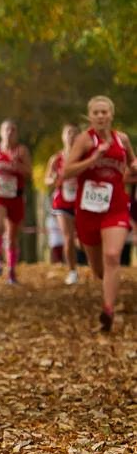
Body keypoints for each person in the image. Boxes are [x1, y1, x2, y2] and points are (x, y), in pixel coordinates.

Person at [62, 96, 136, 332]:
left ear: (111, 115)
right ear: (90, 116)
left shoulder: (121, 139)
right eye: (96, 112)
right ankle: (108, 290)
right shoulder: (85, 140)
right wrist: (94, 158)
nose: (101, 116)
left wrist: (133, 168)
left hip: (115, 207)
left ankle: (108, 310)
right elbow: (67, 171)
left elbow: (132, 163)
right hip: (88, 211)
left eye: (105, 112)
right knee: (99, 270)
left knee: (113, 255)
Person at [0, 119, 32, 284]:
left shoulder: (22, 151)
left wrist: (17, 165)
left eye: (13, 130)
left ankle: (12, 272)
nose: (9, 133)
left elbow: (29, 173)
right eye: (6, 129)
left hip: (15, 196)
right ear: (0, 132)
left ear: (17, 134)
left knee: (12, 238)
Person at [44, 124, 80, 284]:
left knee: (86, 239)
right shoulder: (56, 159)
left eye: (74, 133)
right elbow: (47, 179)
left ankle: (94, 265)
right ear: (63, 136)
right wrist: (53, 180)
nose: (71, 136)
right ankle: (72, 271)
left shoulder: (84, 158)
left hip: (82, 202)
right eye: (68, 133)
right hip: (62, 202)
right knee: (68, 237)